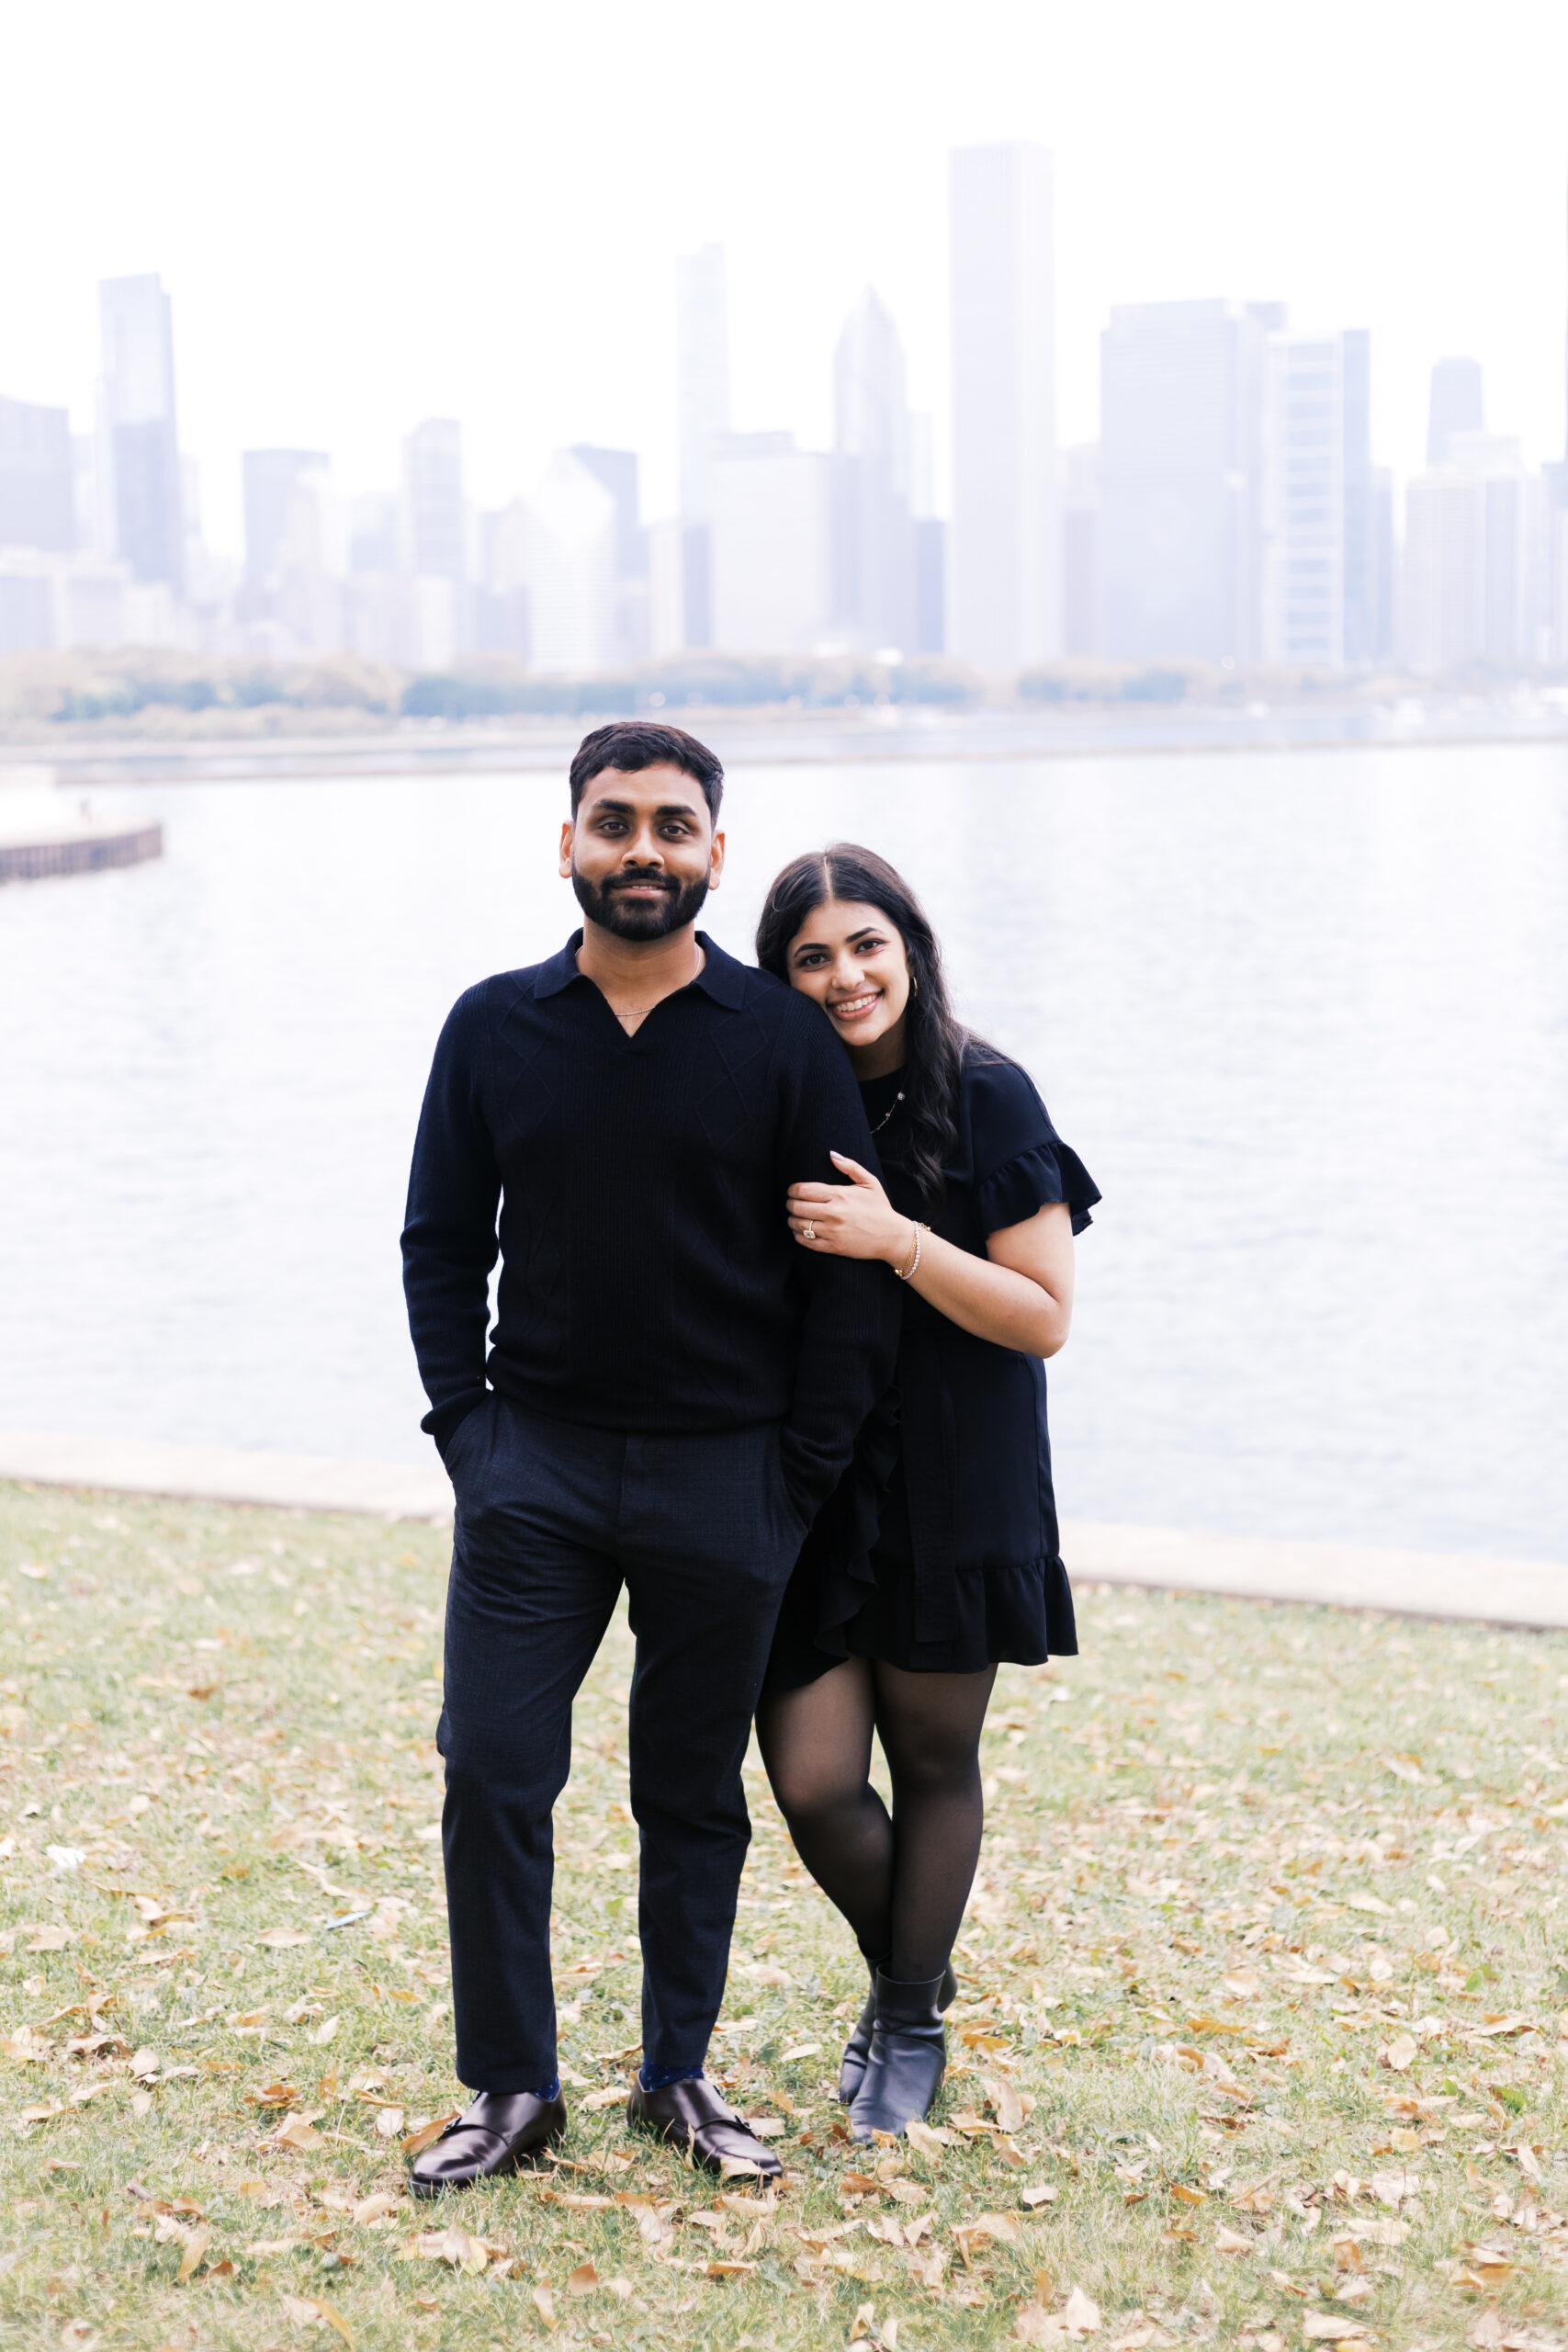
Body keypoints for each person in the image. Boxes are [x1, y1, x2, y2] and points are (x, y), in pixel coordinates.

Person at [400, 729, 898, 2194]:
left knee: (689, 1792)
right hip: (532, 1474)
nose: (643, 849)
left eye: (673, 827)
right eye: (613, 823)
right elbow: (441, 1243)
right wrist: (468, 1436)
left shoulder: (781, 1038)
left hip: (725, 1480)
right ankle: (511, 2086)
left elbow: (847, 1277)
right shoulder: (492, 1026)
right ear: (566, 842)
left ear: (713, 857)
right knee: (491, 1769)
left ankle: (677, 2073)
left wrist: (792, 1476)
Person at [754, 844, 1099, 2140]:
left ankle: (906, 2020)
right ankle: (919, 1968)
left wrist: (899, 1238)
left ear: (911, 947)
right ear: (781, 979)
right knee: (812, 1781)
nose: (845, 978)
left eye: (865, 947)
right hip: (820, 1481)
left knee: (934, 1760)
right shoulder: (785, 1095)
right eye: (812, 958)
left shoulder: (989, 1090)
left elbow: (1044, 1317)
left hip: (961, 1473)